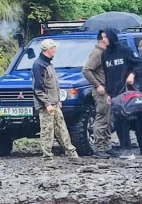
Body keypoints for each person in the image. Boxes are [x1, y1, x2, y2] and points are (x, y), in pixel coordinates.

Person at [32, 38, 79, 168]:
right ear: (49, 49)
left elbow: (53, 85)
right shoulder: (39, 65)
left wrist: (57, 100)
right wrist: (47, 104)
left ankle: (72, 154)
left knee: (62, 129)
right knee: (47, 132)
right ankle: (47, 159)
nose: (56, 51)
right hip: (46, 105)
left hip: (54, 104)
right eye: (54, 48)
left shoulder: (48, 63)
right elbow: (38, 89)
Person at [101, 28, 141, 158]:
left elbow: (138, 64)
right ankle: (124, 146)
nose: (103, 40)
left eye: (105, 37)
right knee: (117, 120)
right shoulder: (105, 54)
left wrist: (132, 74)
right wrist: (107, 93)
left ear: (111, 37)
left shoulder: (125, 50)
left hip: (126, 90)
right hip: (113, 92)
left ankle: (130, 148)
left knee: (126, 119)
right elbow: (107, 74)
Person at [82, 30, 112, 158]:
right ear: (102, 40)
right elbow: (86, 70)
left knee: (108, 118)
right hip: (101, 91)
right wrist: (97, 85)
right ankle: (99, 147)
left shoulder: (104, 53)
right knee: (102, 117)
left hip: (107, 90)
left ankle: (106, 145)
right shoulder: (97, 53)